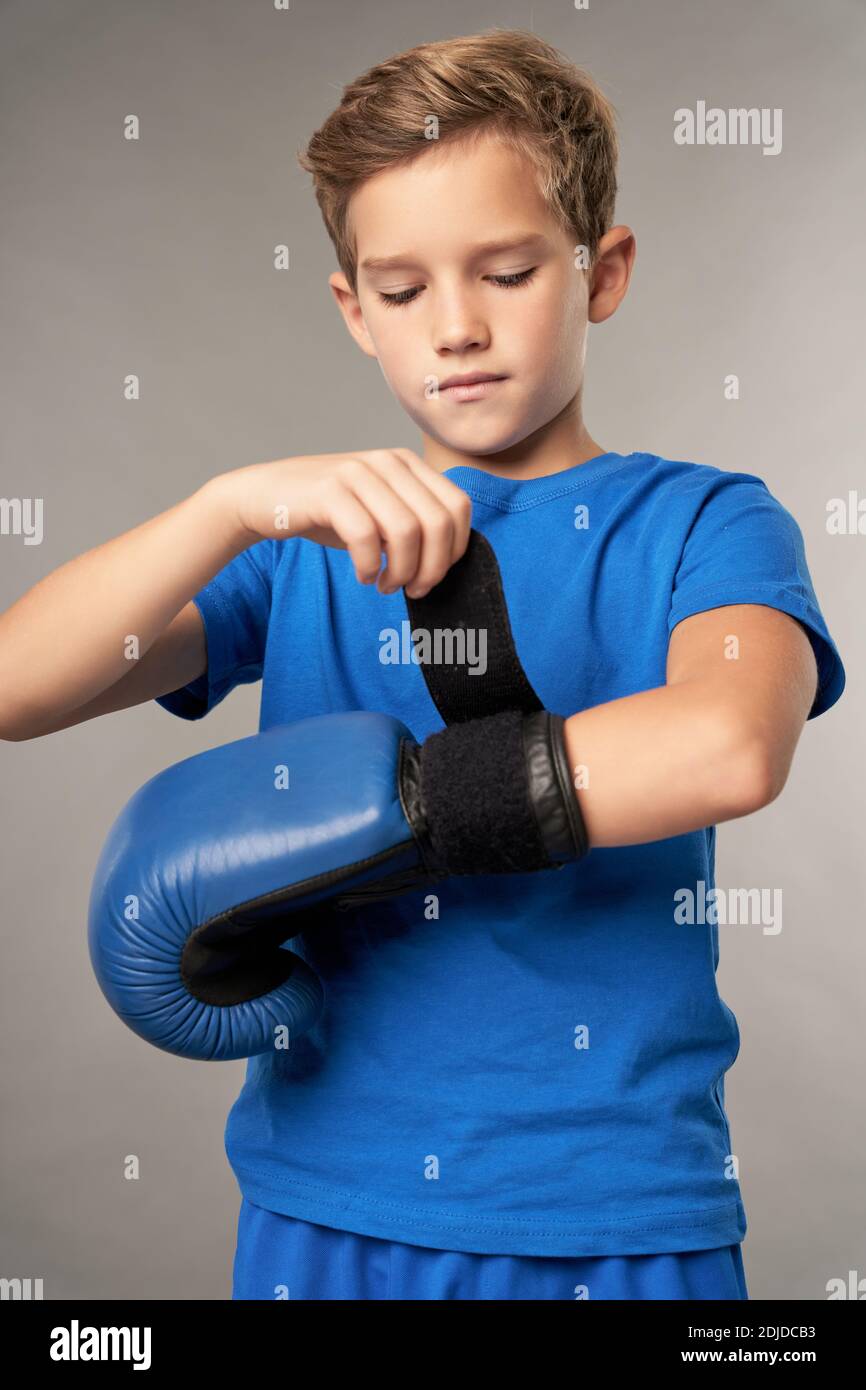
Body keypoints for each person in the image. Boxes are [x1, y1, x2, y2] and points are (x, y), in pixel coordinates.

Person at [0, 30, 845, 1301]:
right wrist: (226, 506)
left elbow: (726, 741)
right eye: (400, 293)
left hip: (611, 1212)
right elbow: (18, 684)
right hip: (323, 1199)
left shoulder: (704, 521)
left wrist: (383, 819)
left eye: (505, 272)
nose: (454, 327)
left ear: (598, 271)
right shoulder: (305, 547)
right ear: (351, 311)